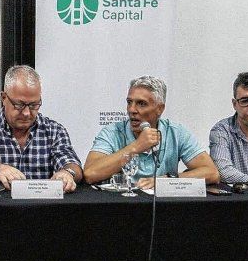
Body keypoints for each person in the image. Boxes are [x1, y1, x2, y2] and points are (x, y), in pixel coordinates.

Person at [0, 65, 82, 193]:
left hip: (42, 209)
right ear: (3, 98)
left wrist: (67, 173)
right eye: (19, 105)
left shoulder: (54, 131)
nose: (26, 113)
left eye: (34, 105)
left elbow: (73, 165)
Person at [84, 75, 219, 188]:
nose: (132, 109)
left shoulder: (176, 132)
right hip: (120, 208)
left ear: (160, 109)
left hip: (162, 210)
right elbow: (90, 174)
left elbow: (211, 173)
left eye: (141, 104)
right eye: (129, 102)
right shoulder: (112, 132)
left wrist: (165, 180)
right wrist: (136, 147)